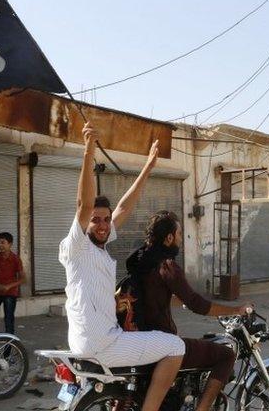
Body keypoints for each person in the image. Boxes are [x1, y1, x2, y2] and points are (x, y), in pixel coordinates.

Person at [59, 121, 184, 411]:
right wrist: (89, 150)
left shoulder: (99, 248)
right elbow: (83, 204)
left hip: (96, 337)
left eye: (105, 220)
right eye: (96, 220)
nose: (103, 225)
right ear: (85, 222)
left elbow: (125, 208)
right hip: (101, 342)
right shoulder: (77, 245)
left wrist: (149, 166)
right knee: (175, 346)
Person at [125, 211, 253, 411]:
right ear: (169, 238)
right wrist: (236, 309)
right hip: (163, 341)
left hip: (140, 338)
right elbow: (198, 304)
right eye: (178, 234)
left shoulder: (141, 260)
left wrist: (179, 301)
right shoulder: (166, 265)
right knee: (226, 355)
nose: (180, 239)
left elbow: (154, 296)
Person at [0, 232, 24, 335]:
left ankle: (8, 349)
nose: (0, 245)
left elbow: (22, 279)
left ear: (10, 244)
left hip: (10, 294)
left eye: (3, 242)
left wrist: (8, 287)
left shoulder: (16, 259)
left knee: (8, 321)